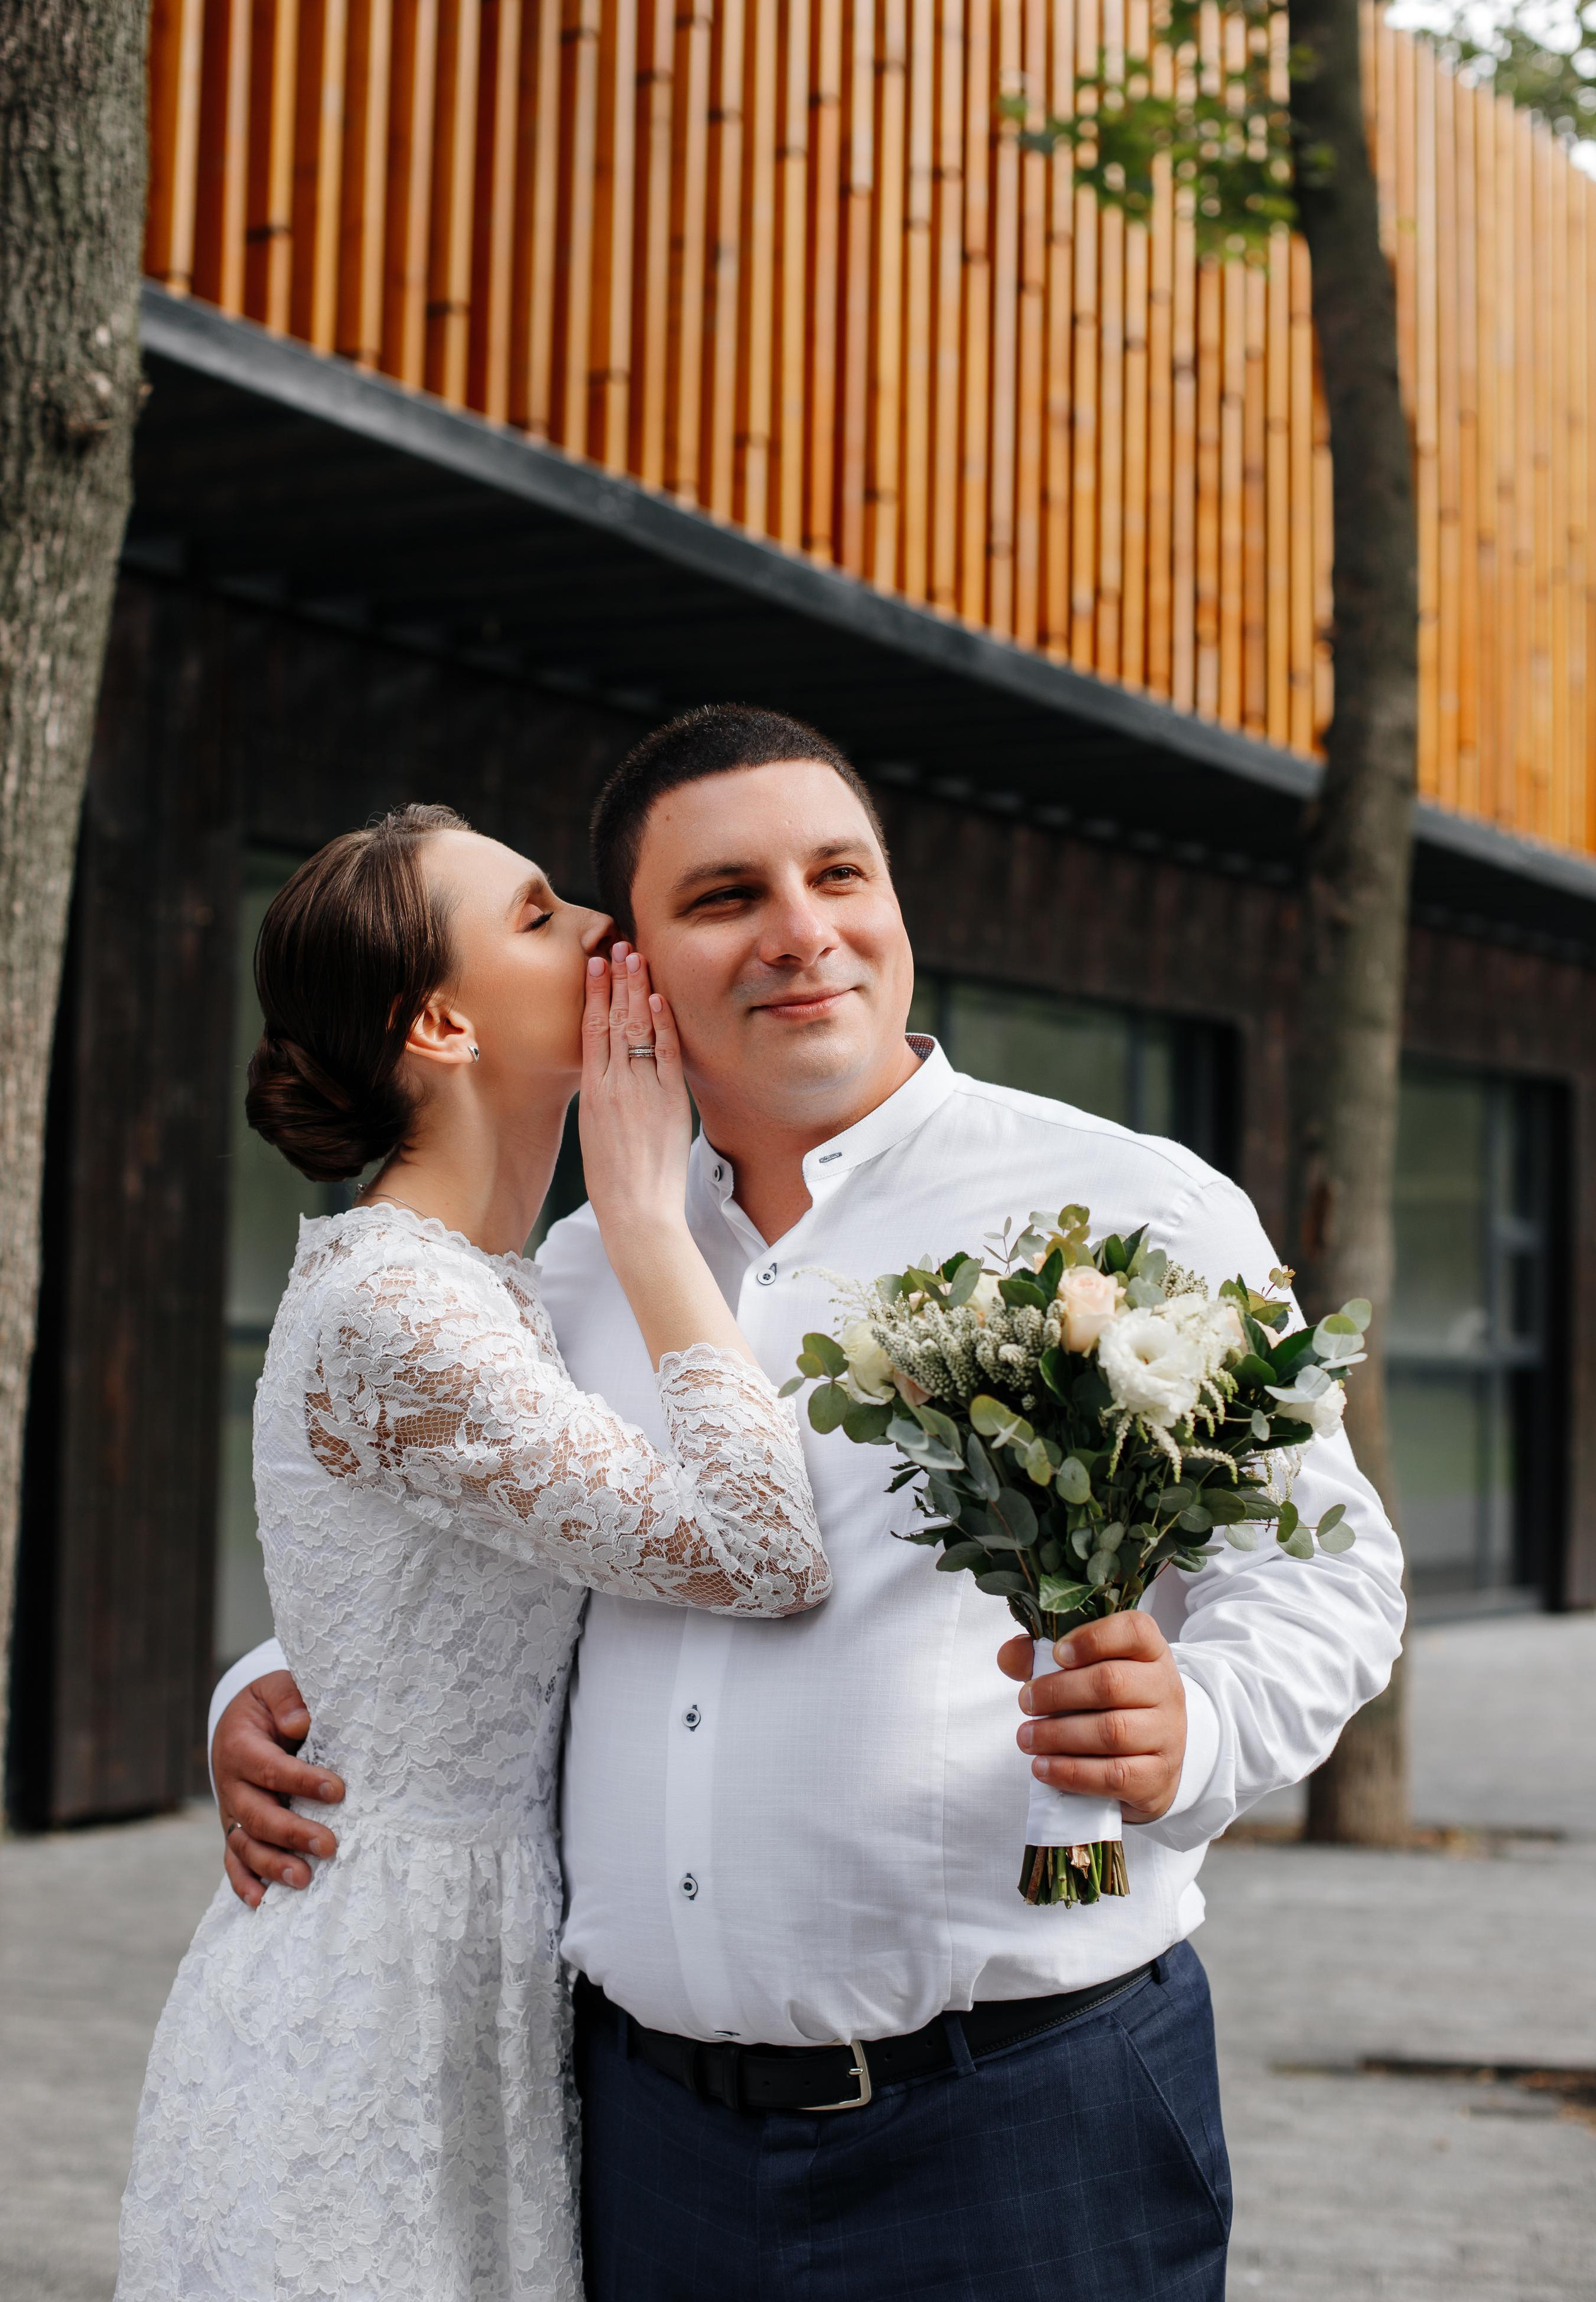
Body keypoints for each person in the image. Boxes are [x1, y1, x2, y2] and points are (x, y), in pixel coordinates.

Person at [212, 710, 1407, 2301]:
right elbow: (447, 1583)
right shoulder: (559, 1280)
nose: (802, 932)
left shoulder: (1126, 1202)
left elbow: (1329, 1579)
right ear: (621, 968)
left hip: (1025, 2127)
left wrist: (1197, 1729)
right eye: (722, 898)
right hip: (640, 2147)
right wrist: (268, 1700)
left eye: (840, 873)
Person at [115, 804, 830, 2302]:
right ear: (439, 1024)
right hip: (374, 2000)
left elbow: (398, 1603)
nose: (599, 933)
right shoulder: (401, 1306)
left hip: (496, 1972)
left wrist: (259, 1680)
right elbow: (760, 1549)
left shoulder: (491, 1288)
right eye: (536, 917)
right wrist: (644, 1217)